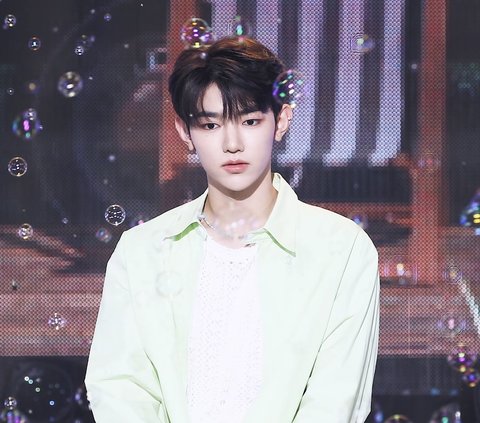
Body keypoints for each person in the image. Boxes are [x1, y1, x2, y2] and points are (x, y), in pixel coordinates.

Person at [85, 35, 379, 423]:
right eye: (210, 124)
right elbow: (119, 386)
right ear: (184, 132)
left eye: (250, 121)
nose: (232, 143)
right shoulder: (141, 251)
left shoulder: (342, 249)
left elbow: (336, 398)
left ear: (281, 120)